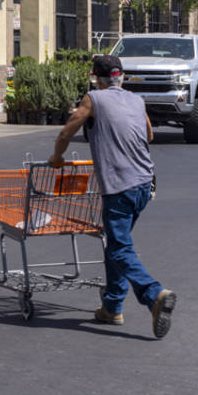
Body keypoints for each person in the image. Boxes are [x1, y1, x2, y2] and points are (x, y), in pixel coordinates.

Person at [49, 54, 176, 338]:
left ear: (96, 78)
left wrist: (57, 157)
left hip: (120, 186)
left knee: (119, 248)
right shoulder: (135, 99)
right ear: (122, 77)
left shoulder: (93, 99)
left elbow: (70, 128)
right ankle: (112, 307)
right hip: (145, 182)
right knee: (116, 244)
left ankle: (154, 295)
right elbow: (149, 135)